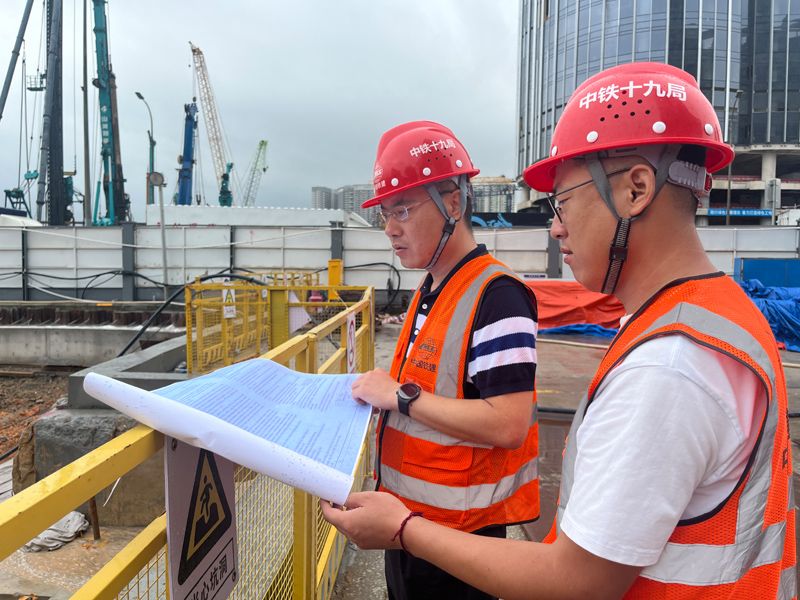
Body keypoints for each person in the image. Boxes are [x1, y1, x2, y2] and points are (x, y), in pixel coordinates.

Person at [323, 64, 796, 599]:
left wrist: (403, 529)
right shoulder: (713, 316)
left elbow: (577, 581)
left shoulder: (668, 368)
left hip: (452, 536)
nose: (554, 227)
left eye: (562, 201)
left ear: (637, 189)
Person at [350, 120, 540, 599]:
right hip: (409, 526)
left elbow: (509, 424)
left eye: (403, 210)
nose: (390, 229)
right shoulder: (433, 286)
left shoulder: (497, 296)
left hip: (462, 542)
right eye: (385, 214)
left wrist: (399, 397)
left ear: (453, 204)